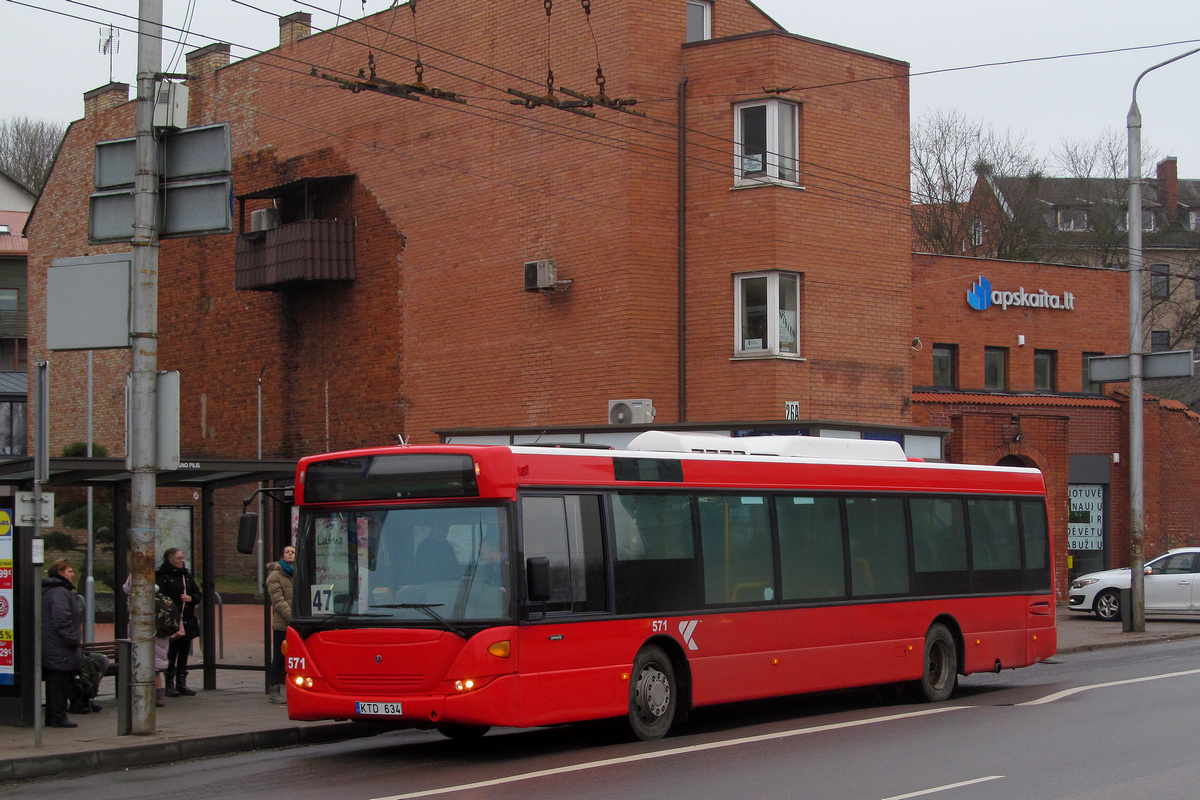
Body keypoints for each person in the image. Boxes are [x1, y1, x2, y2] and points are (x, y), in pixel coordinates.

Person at [122, 574, 177, 707]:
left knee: (149, 666)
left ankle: (153, 697)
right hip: (161, 635)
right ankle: (158, 696)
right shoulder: (159, 597)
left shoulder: (141, 599)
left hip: (147, 637)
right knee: (155, 667)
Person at [42, 559, 83, 728]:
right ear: (60, 573)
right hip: (59, 646)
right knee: (58, 683)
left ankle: (54, 716)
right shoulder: (60, 592)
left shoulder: (49, 591)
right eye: (70, 571)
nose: (72, 574)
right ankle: (58, 716)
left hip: (52, 644)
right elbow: (62, 619)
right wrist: (73, 640)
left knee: (55, 681)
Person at [155, 548, 201, 697]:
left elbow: (197, 593)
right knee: (171, 651)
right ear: (170, 560)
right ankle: (169, 683)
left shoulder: (186, 575)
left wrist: (191, 598)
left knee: (184, 650)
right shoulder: (162, 576)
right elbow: (160, 597)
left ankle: (182, 682)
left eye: (182, 558)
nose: (181, 561)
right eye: (178, 558)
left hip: (187, 619)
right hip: (171, 620)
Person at [265, 545, 295, 704]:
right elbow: (278, 601)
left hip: (299, 624)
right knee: (279, 656)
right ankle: (274, 689)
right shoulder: (274, 576)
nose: (291, 554)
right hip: (283, 624)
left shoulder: (300, 573)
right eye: (287, 552)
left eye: (293, 552)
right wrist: (293, 617)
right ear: (282, 556)